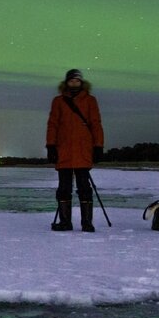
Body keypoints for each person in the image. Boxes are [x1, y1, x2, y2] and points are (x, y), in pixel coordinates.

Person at [46, 68, 104, 232]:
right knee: (64, 188)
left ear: (81, 82)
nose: (74, 83)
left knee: (84, 187)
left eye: (77, 81)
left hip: (83, 150)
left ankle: (87, 222)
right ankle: (65, 222)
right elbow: (53, 125)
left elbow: (96, 124)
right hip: (63, 151)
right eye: (71, 81)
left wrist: (98, 146)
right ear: (66, 82)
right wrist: (51, 146)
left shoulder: (90, 100)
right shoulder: (58, 101)